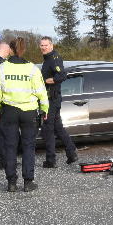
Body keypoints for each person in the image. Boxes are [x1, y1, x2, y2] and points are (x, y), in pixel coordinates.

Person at [0, 38, 49, 192]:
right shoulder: (32, 69)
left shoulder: (2, 68)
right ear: (24, 50)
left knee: (10, 147)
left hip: (9, 111)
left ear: (10, 49)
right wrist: (45, 110)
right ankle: (28, 182)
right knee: (28, 146)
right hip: (29, 112)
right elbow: (41, 92)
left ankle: (11, 183)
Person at [39, 36, 78, 168]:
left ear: (51, 46)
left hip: (52, 100)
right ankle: (71, 152)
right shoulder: (48, 59)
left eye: (46, 45)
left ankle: (51, 160)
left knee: (48, 130)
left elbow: (61, 76)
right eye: (41, 45)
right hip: (53, 99)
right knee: (58, 127)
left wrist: (45, 81)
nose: (43, 47)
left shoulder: (54, 59)